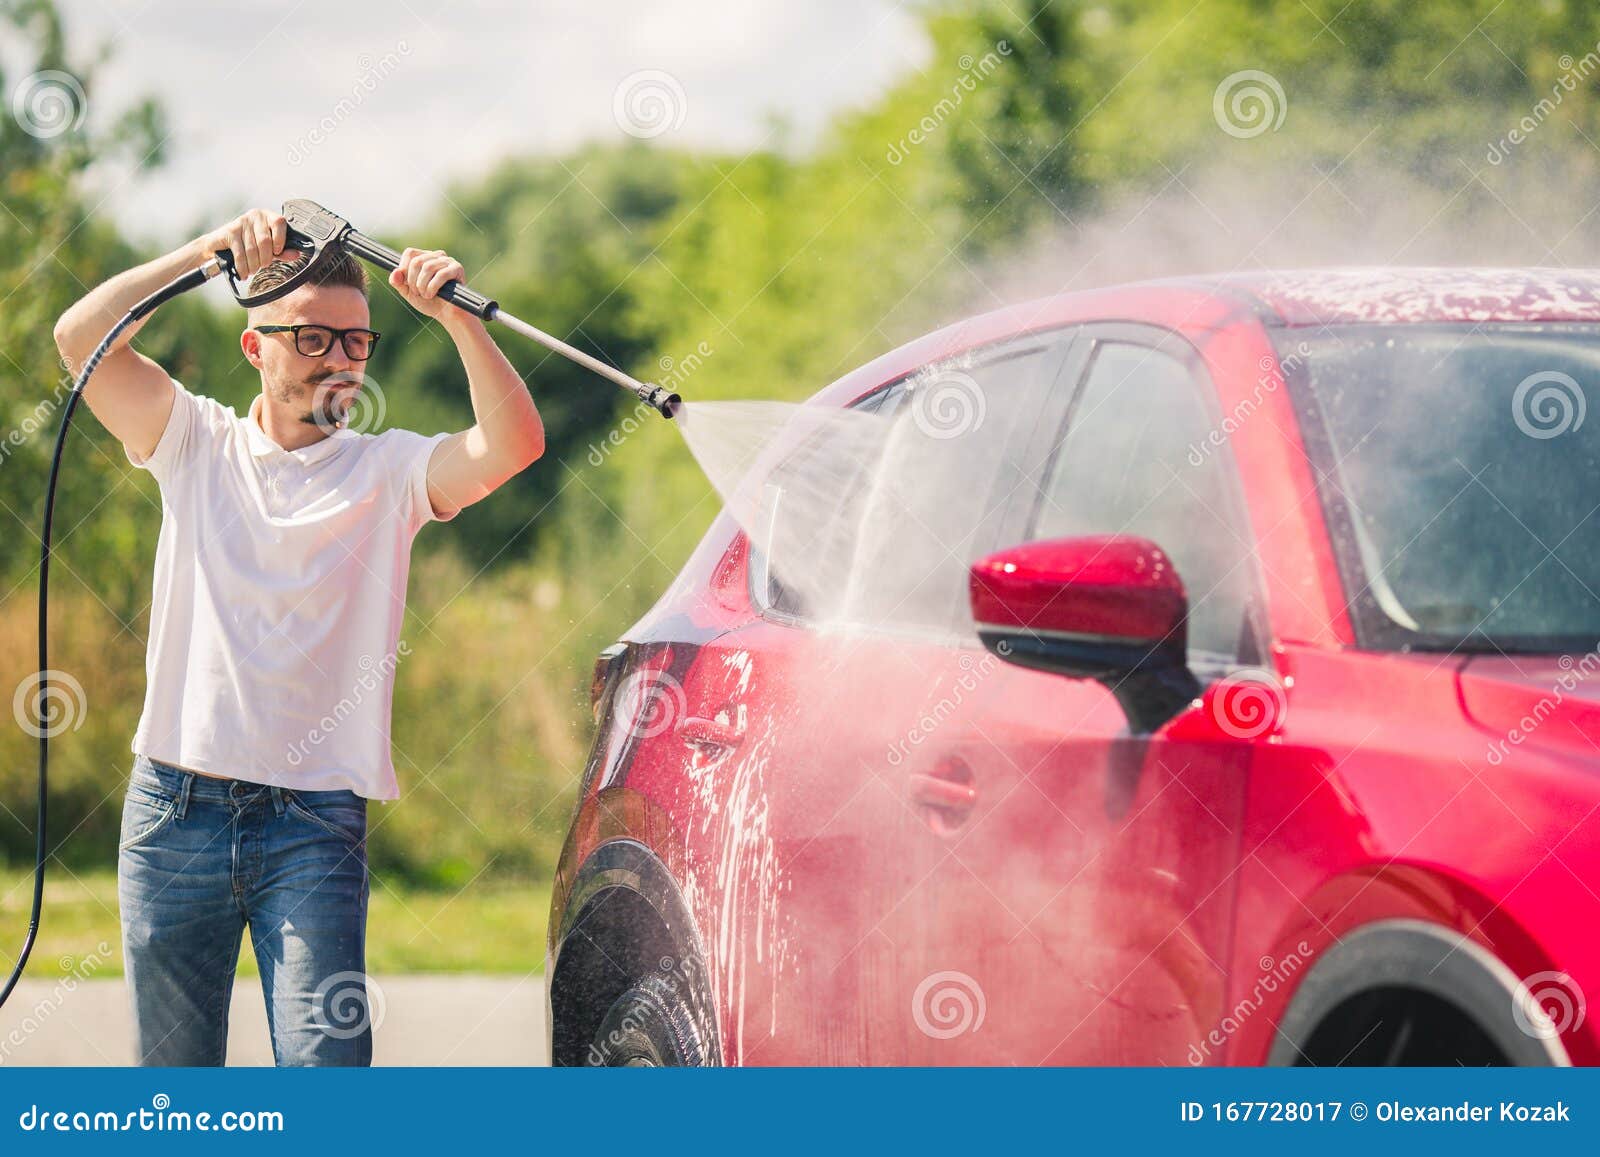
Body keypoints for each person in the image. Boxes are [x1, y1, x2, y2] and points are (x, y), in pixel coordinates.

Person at [51, 208, 544, 1066]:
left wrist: (460, 319)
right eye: (314, 339)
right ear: (257, 349)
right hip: (175, 812)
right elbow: (80, 335)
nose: (340, 363)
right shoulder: (193, 441)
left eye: (357, 344)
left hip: (312, 825)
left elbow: (514, 443)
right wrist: (208, 254)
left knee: (327, 1082)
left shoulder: (390, 471)